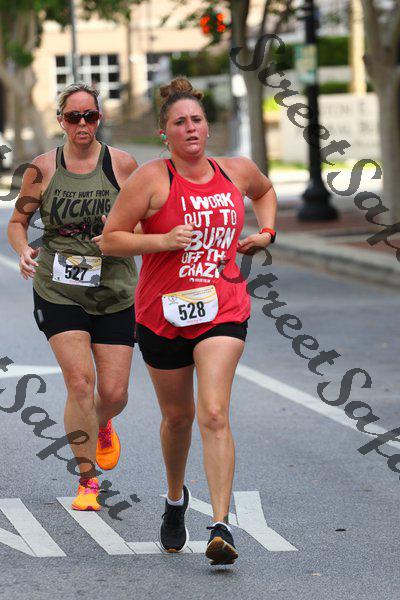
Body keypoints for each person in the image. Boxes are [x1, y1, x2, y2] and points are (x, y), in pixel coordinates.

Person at [101, 77, 277, 565]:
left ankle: (221, 525)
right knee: (177, 418)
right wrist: (161, 241)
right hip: (162, 314)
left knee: (214, 413)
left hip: (223, 307)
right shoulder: (151, 179)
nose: (190, 128)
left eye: (196, 119)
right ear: (165, 133)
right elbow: (111, 239)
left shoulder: (236, 171)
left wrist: (266, 232)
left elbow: (265, 191)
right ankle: (176, 497)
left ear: (208, 127)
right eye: (179, 122)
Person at [8, 83, 138, 511]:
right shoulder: (42, 168)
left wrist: (125, 236)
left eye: (90, 116)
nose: (82, 123)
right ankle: (88, 481)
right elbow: (18, 222)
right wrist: (23, 250)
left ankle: (101, 423)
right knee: (80, 382)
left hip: (115, 288)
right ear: (60, 120)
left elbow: (144, 220)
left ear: (100, 118)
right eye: (73, 116)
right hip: (58, 289)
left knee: (114, 394)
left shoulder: (122, 164)